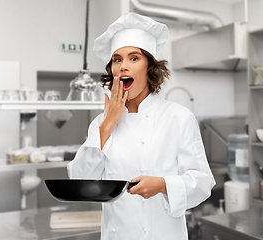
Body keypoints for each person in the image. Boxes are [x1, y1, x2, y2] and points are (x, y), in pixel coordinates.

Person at [67, 12, 215, 240]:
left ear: (150, 68)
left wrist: (164, 185)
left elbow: (203, 183)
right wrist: (108, 125)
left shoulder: (178, 117)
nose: (123, 66)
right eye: (117, 59)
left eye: (134, 58)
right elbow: (79, 181)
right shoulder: (100, 123)